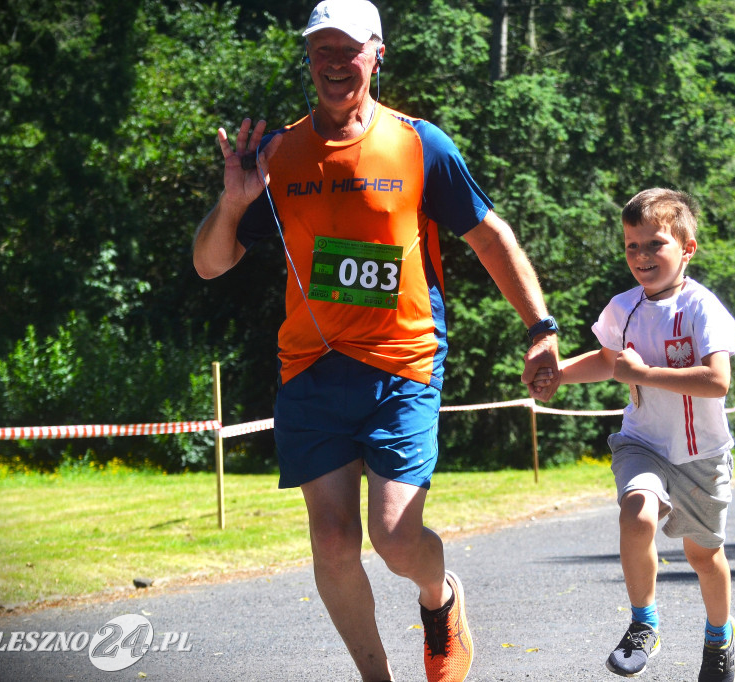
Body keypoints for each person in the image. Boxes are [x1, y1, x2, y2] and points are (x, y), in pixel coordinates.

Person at [192, 2, 559, 680]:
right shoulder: (280, 154)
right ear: (308, 58)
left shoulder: (420, 144)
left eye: (348, 48)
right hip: (311, 368)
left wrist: (539, 329)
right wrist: (238, 201)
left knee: (393, 537)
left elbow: (488, 235)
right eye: (320, 48)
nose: (334, 61)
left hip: (403, 364)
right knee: (333, 541)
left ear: (377, 54)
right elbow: (210, 262)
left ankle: (439, 600)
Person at [532, 188, 735, 681]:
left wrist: (642, 373)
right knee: (637, 512)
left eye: (655, 244)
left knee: (703, 555)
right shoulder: (622, 308)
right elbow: (608, 360)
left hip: (701, 456)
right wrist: (559, 373)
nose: (642, 257)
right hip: (642, 442)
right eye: (632, 246)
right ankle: (644, 623)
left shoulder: (702, 308)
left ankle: (720, 635)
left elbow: (718, 382)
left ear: (686, 248)